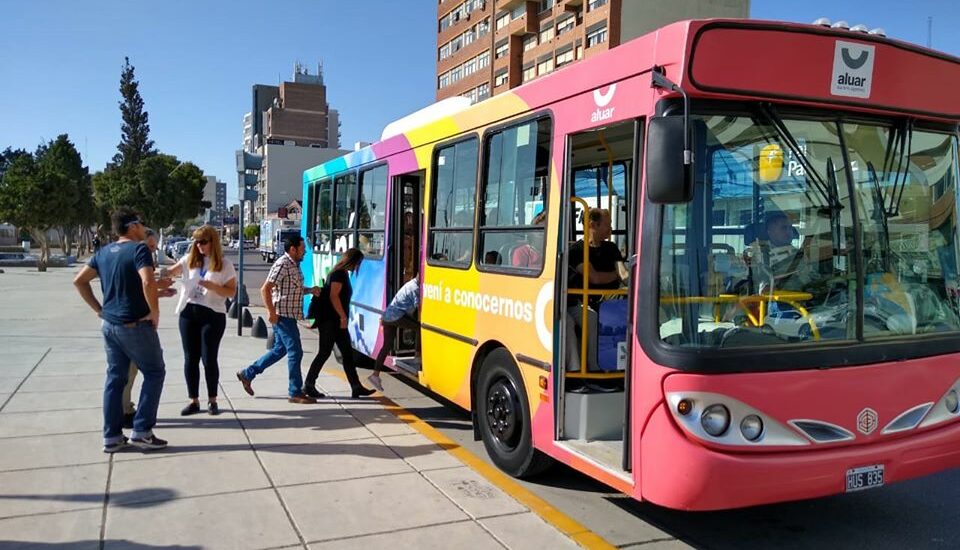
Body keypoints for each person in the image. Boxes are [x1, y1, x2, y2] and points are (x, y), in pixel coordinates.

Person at [73, 208, 167, 452]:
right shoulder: (139, 249)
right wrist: (154, 312)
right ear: (133, 226)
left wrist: (99, 309)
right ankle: (142, 431)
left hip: (110, 324)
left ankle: (112, 437)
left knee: (115, 379)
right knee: (155, 372)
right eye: (143, 224)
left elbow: (79, 280)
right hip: (134, 324)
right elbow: (146, 280)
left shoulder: (104, 252)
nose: (145, 229)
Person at [237, 234, 321, 404]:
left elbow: (291, 289)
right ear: (293, 249)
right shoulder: (283, 264)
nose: (304, 252)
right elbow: (265, 289)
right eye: (302, 249)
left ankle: (248, 374)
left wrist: (310, 290)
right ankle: (295, 392)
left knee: (279, 350)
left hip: (289, 315)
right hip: (282, 315)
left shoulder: (294, 265)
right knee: (295, 351)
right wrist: (271, 312)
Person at [165, 225, 237, 416]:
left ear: (212, 242)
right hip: (189, 312)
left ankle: (212, 400)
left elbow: (231, 291)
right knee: (190, 358)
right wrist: (158, 273)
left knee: (209, 358)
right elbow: (170, 271)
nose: (199, 246)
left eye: (203, 242)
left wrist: (213, 286)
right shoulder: (189, 260)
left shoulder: (224, 264)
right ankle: (193, 400)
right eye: (196, 242)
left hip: (213, 314)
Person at [120, 227, 175, 428]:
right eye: (150, 246)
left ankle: (124, 411)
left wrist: (159, 291)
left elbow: (140, 289)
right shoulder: (138, 258)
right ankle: (132, 417)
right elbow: (144, 284)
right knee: (151, 371)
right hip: (137, 323)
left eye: (154, 247)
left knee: (127, 371)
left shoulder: (127, 257)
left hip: (127, 321)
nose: (152, 251)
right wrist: (155, 309)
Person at [303, 248, 376, 399]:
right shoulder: (338, 274)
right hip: (331, 321)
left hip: (336, 321)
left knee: (347, 355)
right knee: (324, 352)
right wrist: (343, 317)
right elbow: (334, 296)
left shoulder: (341, 273)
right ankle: (309, 384)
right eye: (358, 262)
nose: (358, 266)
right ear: (352, 260)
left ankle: (356, 387)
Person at [566, 207, 626, 372]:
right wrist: (618, 276)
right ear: (593, 225)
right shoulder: (577, 251)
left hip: (613, 298)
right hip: (590, 300)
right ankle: (594, 367)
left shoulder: (611, 247)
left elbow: (623, 272)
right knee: (592, 318)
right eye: (607, 225)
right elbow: (594, 278)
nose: (610, 229)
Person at [369, 275, 420, 391]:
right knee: (419, 328)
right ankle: (418, 357)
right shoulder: (416, 288)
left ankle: (375, 375)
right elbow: (420, 306)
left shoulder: (410, 284)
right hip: (397, 316)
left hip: (387, 316)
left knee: (386, 346)